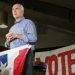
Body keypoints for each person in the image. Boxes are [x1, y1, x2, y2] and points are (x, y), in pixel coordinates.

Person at [5, 3, 37, 75]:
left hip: (25, 55)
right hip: (13, 56)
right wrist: (8, 41)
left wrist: (17, 35)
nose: (14, 11)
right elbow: (7, 45)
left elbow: (33, 39)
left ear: (22, 11)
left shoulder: (28, 22)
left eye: (17, 8)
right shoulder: (11, 28)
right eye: (13, 9)